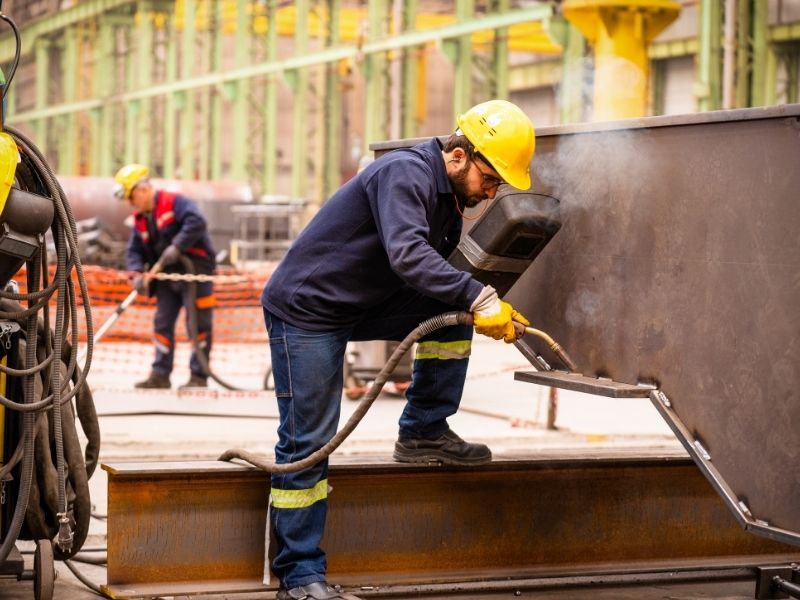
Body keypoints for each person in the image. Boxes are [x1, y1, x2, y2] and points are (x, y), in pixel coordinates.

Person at [260, 99, 535, 600]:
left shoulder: (449, 197)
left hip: (358, 304)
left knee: (452, 311)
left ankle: (424, 432)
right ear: (459, 155)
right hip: (308, 310)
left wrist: (474, 300)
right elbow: (409, 255)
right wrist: (480, 295)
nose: (492, 192)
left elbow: (433, 275)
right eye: (491, 179)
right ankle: (299, 577)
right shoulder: (404, 173)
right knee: (309, 443)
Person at [114, 164, 217, 390]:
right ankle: (160, 374)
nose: (131, 204)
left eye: (131, 197)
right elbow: (134, 251)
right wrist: (137, 274)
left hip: (195, 273)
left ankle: (199, 376)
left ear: (142, 190)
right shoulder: (140, 219)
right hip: (166, 276)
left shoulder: (174, 202)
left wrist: (178, 246)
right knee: (162, 322)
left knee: (198, 324)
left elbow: (197, 221)